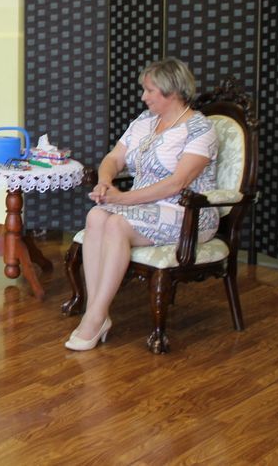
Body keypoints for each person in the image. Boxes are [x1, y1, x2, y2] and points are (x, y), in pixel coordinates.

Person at [66, 58, 218, 351]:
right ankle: (98, 314)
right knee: (97, 216)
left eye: (149, 90)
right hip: (140, 206)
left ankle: (94, 317)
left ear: (172, 91)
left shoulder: (200, 129)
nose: (143, 96)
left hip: (187, 212)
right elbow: (113, 158)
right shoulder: (144, 122)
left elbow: (177, 183)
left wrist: (121, 199)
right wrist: (105, 182)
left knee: (116, 223)